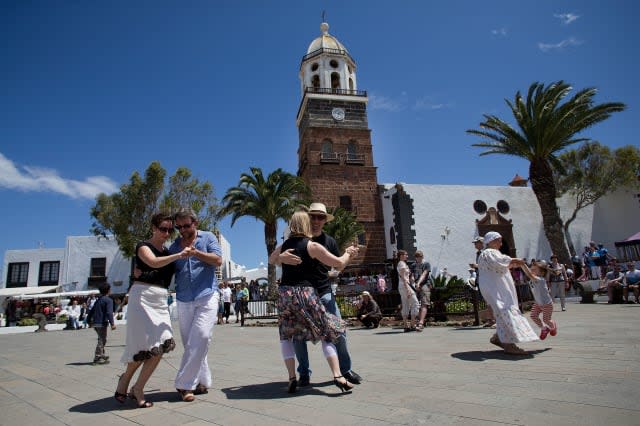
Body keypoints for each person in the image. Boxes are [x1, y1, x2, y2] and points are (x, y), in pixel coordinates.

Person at [270, 202, 362, 387]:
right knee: (300, 336)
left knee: (337, 331)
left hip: (322, 291)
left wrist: (346, 258)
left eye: (321, 217)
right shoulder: (300, 242)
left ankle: (344, 370)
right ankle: (305, 373)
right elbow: (273, 259)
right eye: (313, 216)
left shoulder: (328, 242)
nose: (317, 220)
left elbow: (338, 266)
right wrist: (281, 258)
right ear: (306, 219)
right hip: (304, 295)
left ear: (325, 221)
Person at [115, 213, 188, 408]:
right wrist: (179, 254)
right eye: (163, 229)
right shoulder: (143, 246)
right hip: (142, 297)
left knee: (163, 343)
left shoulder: (168, 251)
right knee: (141, 347)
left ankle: (136, 386)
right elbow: (154, 262)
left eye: (169, 230)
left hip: (160, 299)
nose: (166, 233)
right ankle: (126, 381)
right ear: (153, 228)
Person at [170, 208, 223, 402]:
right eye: (179, 227)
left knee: (201, 336)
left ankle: (184, 385)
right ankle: (203, 381)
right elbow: (166, 268)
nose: (183, 230)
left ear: (195, 223)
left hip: (207, 296)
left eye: (186, 225)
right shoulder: (174, 246)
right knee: (192, 344)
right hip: (183, 299)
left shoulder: (208, 238)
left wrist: (196, 253)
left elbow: (218, 260)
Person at [477, 231, 539, 355]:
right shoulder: (489, 252)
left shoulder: (487, 254)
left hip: (496, 288)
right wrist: (514, 259)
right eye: (498, 240)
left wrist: (513, 263)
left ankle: (499, 338)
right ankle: (508, 344)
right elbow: (500, 261)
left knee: (503, 311)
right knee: (505, 310)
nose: (501, 243)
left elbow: (499, 266)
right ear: (490, 241)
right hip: (497, 289)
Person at [521, 260, 557, 340]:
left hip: (547, 304)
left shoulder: (540, 279)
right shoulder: (534, 278)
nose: (532, 270)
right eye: (532, 269)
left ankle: (553, 326)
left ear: (541, 273)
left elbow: (529, 274)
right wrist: (523, 265)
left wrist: (523, 264)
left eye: (534, 270)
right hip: (538, 303)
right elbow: (529, 273)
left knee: (546, 320)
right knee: (533, 316)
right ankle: (544, 329)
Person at [89, 283, 116, 364]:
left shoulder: (98, 300)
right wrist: (112, 323)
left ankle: (102, 354)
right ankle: (97, 357)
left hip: (95, 322)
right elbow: (109, 312)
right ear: (108, 290)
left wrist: (88, 321)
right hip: (102, 322)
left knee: (102, 339)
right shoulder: (109, 300)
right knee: (101, 340)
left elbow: (91, 311)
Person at [396, 250, 419, 332]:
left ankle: (406, 326)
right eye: (406, 254)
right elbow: (403, 278)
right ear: (401, 255)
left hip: (403, 286)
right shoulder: (401, 263)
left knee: (405, 304)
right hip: (405, 286)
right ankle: (412, 324)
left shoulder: (402, 264)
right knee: (415, 304)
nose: (407, 256)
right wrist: (408, 289)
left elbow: (406, 277)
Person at [411, 251, 431, 331]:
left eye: (419, 257)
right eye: (417, 257)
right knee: (415, 304)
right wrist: (413, 283)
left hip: (424, 284)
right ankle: (415, 322)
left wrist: (418, 283)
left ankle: (421, 323)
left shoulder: (426, 264)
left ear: (422, 257)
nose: (418, 258)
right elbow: (412, 275)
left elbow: (424, 274)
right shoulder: (413, 265)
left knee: (424, 303)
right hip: (415, 285)